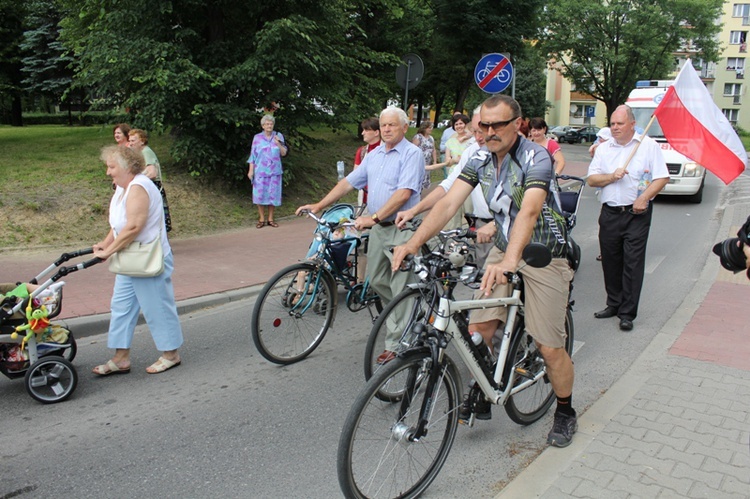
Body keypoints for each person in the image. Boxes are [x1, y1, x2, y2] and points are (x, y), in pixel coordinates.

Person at [392, 95, 578, 448]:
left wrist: (510, 261)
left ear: (517, 124)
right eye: (485, 126)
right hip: (505, 248)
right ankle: (489, 379)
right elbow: (449, 201)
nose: (490, 132)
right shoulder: (479, 158)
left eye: (498, 125)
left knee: (549, 346)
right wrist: (414, 242)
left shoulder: (535, 156)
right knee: (478, 327)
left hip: (543, 254)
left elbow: (530, 210)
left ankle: (566, 411)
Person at [296, 106, 424, 364]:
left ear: (404, 127)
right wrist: (320, 204)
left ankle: (398, 345)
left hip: (402, 230)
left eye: (392, 125)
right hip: (379, 230)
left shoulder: (413, 153)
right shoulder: (374, 155)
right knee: (376, 281)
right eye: (384, 125)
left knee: (399, 285)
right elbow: (349, 182)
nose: (387, 129)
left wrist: (374, 218)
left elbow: (404, 194)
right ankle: (409, 312)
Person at [92, 145, 183, 375]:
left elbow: (134, 225)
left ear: (127, 166)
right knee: (121, 307)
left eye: (111, 167)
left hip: (148, 258)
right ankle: (121, 358)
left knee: (157, 307)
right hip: (130, 258)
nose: (108, 172)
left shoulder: (139, 187)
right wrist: (106, 242)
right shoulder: (123, 188)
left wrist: (109, 251)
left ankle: (171, 354)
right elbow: (119, 224)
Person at [587, 105, 669, 332]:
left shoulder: (648, 146)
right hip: (610, 213)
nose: (614, 128)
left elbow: (662, 178)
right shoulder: (604, 149)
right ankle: (613, 303)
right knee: (611, 261)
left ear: (632, 124)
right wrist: (611, 177)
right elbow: (592, 179)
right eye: (612, 123)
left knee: (632, 263)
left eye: (619, 124)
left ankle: (627, 313)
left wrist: (644, 197)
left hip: (636, 214)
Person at [397, 106, 495, 268]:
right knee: (485, 284)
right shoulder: (472, 153)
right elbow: (448, 187)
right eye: (475, 131)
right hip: (482, 226)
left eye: (482, 131)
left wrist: (497, 224)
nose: (479, 138)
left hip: (510, 228)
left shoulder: (525, 155)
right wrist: (414, 211)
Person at [247, 114, 288, 228]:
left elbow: (284, 153)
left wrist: (278, 143)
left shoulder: (278, 136)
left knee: (272, 195)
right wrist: (251, 171)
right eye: (267, 124)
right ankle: (261, 219)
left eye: (271, 124)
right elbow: (253, 155)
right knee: (259, 195)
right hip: (260, 171)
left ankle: (270, 219)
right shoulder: (257, 138)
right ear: (263, 126)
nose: (269, 126)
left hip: (275, 171)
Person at [128, 129, 172, 233]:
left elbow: (152, 173)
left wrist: (137, 181)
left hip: (153, 187)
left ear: (142, 141)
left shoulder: (146, 152)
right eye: (129, 141)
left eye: (133, 141)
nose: (130, 144)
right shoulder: (141, 153)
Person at [353, 117, 381, 213]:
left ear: (376, 132)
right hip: (364, 200)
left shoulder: (388, 150)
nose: (362, 133)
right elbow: (355, 175)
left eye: (366, 130)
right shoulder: (362, 151)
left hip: (382, 201)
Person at [412, 121, 438, 193]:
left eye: (431, 127)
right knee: (418, 179)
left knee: (424, 180)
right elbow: (412, 150)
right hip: (418, 162)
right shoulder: (418, 137)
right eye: (429, 128)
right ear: (424, 128)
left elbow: (434, 150)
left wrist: (435, 161)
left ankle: (420, 193)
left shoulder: (431, 138)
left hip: (427, 163)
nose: (431, 129)